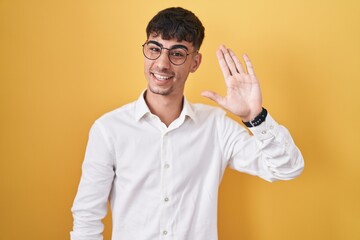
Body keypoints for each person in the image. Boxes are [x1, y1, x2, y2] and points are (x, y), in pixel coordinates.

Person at [70, 7, 304, 240]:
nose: (162, 64)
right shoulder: (109, 129)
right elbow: (87, 218)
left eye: (177, 53)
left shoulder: (216, 127)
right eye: (154, 49)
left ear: (195, 62)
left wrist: (255, 117)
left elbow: (287, 168)